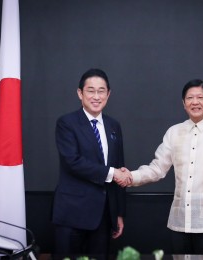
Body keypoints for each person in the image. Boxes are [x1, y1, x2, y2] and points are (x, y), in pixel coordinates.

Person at [120, 79, 203, 255]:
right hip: (179, 222)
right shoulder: (174, 132)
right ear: (183, 103)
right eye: (190, 98)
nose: (195, 102)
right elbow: (157, 168)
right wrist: (131, 176)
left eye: (200, 97)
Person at [52, 68, 131, 258]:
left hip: (103, 217)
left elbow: (120, 165)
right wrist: (113, 173)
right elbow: (73, 162)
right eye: (90, 90)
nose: (96, 96)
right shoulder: (67, 123)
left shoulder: (114, 126)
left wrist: (118, 213)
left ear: (108, 94)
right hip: (72, 214)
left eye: (101, 91)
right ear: (80, 93)